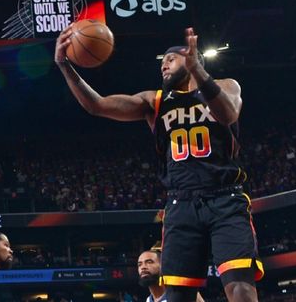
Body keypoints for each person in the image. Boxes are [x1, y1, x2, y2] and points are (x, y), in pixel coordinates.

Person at [55, 27, 262, 302]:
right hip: (181, 205)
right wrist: (64, 65)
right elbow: (98, 105)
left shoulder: (225, 86)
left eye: (171, 58)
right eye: (162, 60)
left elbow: (228, 113)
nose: (163, 63)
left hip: (226, 199)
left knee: (239, 287)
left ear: (191, 59)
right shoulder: (154, 101)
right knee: (176, 295)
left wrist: (198, 71)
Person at [138, 250, 205, 302]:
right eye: (139, 264)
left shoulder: (183, 293)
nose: (143, 267)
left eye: (149, 262)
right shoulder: (149, 300)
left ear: (163, 265)